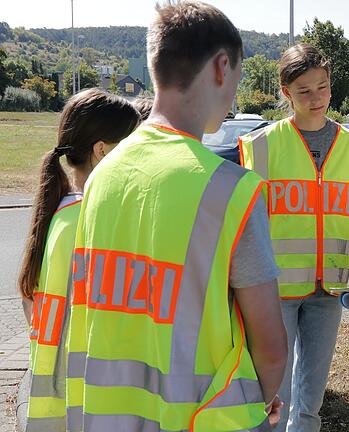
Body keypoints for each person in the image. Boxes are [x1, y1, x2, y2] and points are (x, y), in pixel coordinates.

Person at [64, 2, 287, 431]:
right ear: (222, 67)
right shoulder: (232, 190)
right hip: (204, 419)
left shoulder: (100, 177)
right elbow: (271, 346)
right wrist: (262, 400)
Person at [239, 43, 349, 432]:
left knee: (311, 401)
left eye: (323, 87)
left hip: (329, 290)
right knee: (273, 396)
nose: (316, 98)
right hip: (275, 288)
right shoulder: (261, 147)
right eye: (304, 91)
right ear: (285, 93)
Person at [16, 88, 140, 432]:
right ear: (101, 151)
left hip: (58, 404)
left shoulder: (61, 212)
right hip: (87, 402)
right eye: (131, 147)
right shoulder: (94, 221)